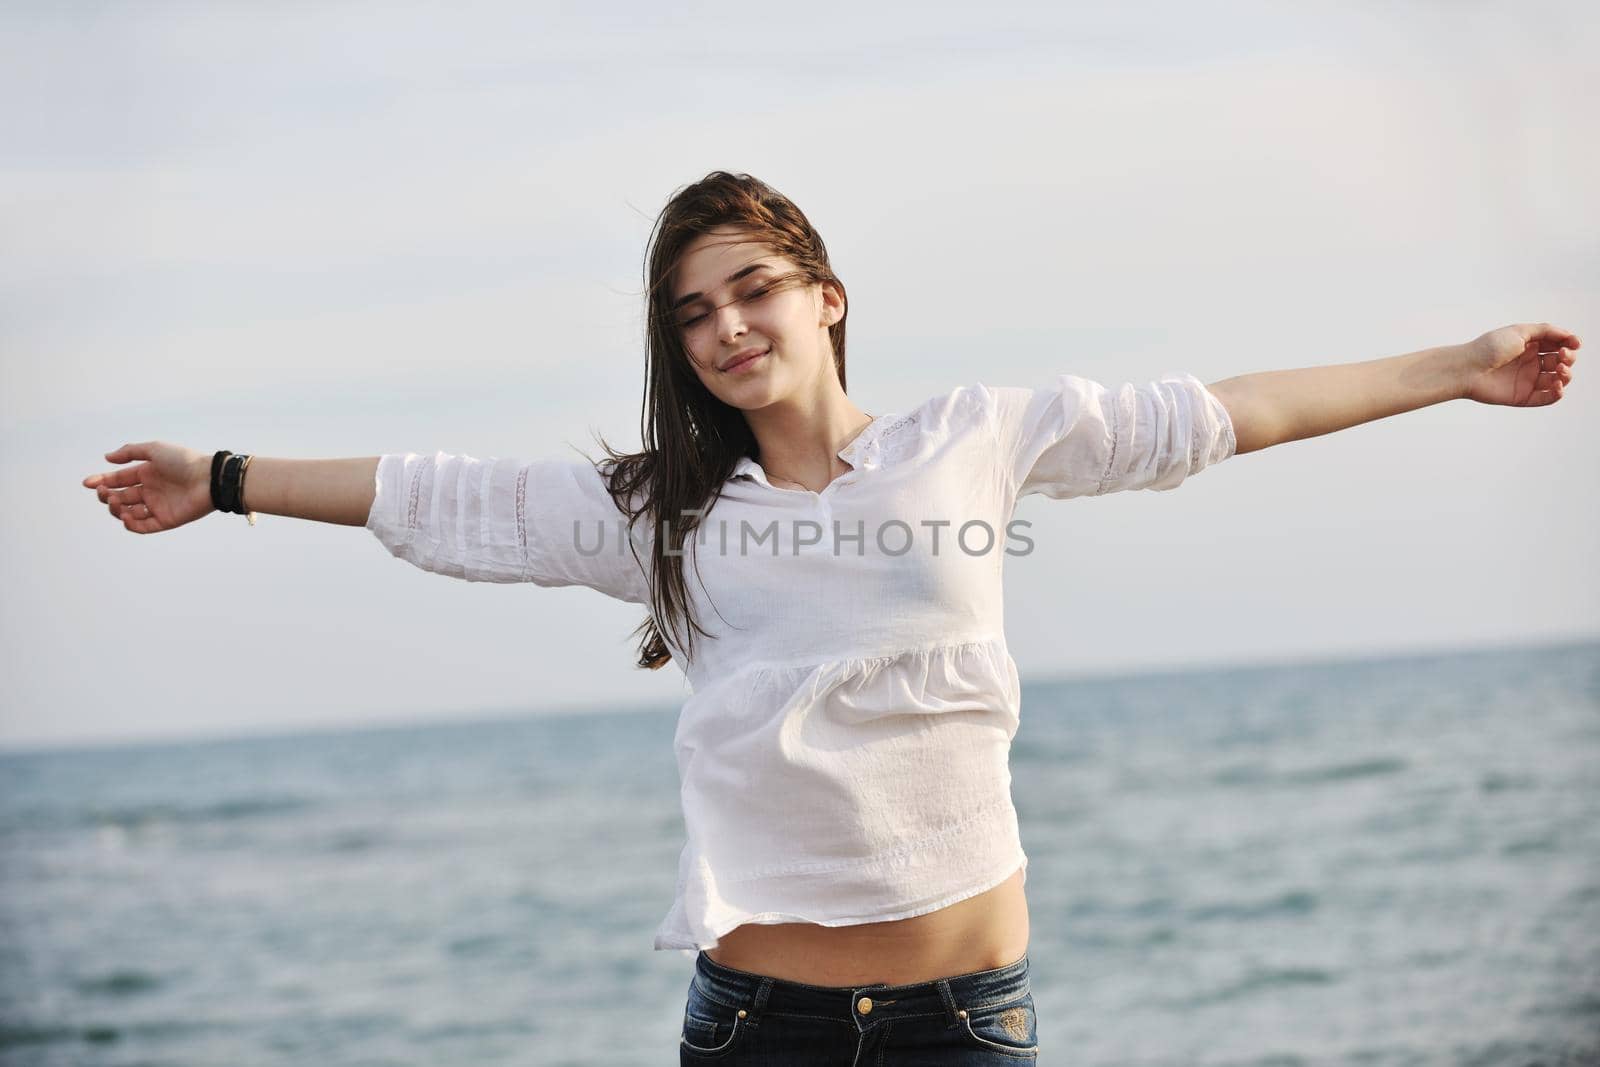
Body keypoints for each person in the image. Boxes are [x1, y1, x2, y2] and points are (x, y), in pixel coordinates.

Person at [81, 171, 1580, 1064]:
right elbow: (441, 495)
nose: (728, 328)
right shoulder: (656, 510)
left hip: (969, 1016)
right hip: (761, 1032)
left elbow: (1225, 412)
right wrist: (222, 478)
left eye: (754, 292)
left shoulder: (974, 438)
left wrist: (1455, 363)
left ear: (829, 298)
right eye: (693, 313)